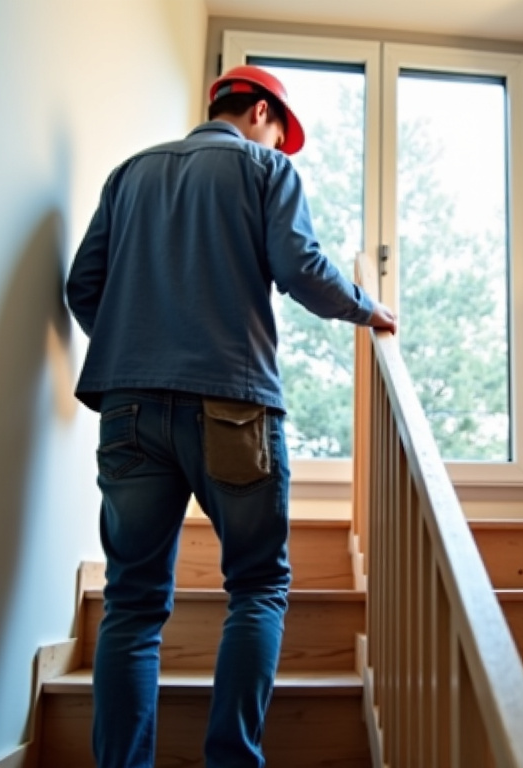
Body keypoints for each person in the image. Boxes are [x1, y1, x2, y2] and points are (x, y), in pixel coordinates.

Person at [65, 64, 397, 768]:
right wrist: (368, 309)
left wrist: (136, 350)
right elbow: (299, 267)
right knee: (257, 585)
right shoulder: (265, 169)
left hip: (129, 409)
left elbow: (82, 286)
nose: (275, 144)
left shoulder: (129, 174)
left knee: (131, 604)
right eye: (278, 133)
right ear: (260, 114)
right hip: (233, 408)